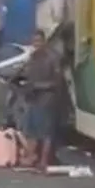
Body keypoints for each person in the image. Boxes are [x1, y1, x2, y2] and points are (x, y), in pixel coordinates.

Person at [21, 29, 62, 173]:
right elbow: (29, 75)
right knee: (31, 131)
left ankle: (43, 161)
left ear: (44, 42)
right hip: (33, 99)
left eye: (39, 41)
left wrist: (38, 86)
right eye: (34, 42)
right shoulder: (32, 57)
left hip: (46, 100)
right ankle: (32, 157)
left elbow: (56, 82)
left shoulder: (52, 58)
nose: (36, 44)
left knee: (45, 133)